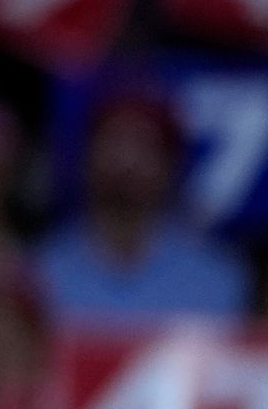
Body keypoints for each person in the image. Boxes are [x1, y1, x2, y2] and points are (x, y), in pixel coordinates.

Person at [30, 89, 248, 325]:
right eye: (113, 141)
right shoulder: (40, 275)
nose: (127, 160)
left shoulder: (217, 280)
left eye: (143, 145)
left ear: (170, 165)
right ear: (86, 156)